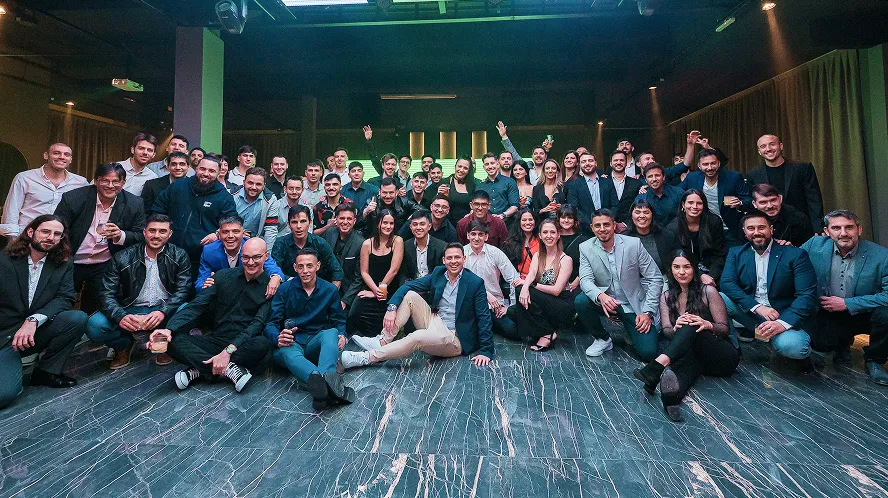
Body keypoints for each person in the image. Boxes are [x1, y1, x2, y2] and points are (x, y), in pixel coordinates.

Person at [341, 242, 494, 369]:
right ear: (444, 260)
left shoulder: (475, 282)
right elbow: (409, 286)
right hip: (435, 321)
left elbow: (483, 317)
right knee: (410, 296)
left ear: (464, 258)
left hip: (455, 337)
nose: (453, 261)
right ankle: (382, 341)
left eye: (457, 257)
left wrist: (486, 351)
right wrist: (391, 307)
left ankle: (368, 357)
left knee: (417, 337)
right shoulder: (439, 273)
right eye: (449, 258)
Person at [632, 251, 740, 422]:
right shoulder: (666, 296)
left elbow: (724, 329)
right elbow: (666, 330)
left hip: (721, 356)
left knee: (691, 322)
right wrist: (677, 327)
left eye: (686, 267)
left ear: (694, 268)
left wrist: (707, 324)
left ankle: (657, 366)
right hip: (694, 357)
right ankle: (670, 400)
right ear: (671, 270)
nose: (681, 272)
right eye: (676, 267)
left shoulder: (708, 291)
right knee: (681, 371)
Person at [155, 238, 273, 392]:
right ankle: (227, 369)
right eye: (246, 257)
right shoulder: (222, 276)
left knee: (262, 343)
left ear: (266, 256)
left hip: (243, 343)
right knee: (172, 341)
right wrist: (168, 329)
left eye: (256, 257)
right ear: (241, 256)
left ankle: (198, 370)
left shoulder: (271, 287)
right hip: (215, 339)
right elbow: (196, 305)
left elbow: (256, 325)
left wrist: (228, 351)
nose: (250, 262)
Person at [0, 215, 87, 409]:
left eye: (57, 234)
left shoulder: (63, 263)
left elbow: (65, 297)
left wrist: (33, 320)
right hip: (3, 335)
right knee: (3, 395)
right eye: (45, 232)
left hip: (33, 332)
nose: (51, 237)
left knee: (76, 318)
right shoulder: (4, 261)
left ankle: (46, 372)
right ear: (31, 232)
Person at [87, 214, 192, 370]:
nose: (156, 235)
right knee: (94, 325)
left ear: (170, 234)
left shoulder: (179, 255)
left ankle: (164, 342)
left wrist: (163, 312)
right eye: (152, 230)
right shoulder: (122, 257)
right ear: (144, 232)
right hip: (130, 309)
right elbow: (106, 293)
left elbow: (183, 290)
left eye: (162, 231)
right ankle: (123, 344)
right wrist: (120, 315)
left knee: (188, 312)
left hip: (164, 309)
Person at [720, 211, 818, 366]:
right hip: (754, 314)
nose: (757, 232)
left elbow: (807, 295)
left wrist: (782, 323)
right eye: (751, 228)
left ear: (771, 230)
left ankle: (779, 337)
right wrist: (757, 307)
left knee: (795, 348)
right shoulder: (737, 253)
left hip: (783, 315)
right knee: (717, 298)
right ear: (745, 232)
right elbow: (727, 283)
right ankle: (733, 348)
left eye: (761, 227)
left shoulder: (795, 254)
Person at [802, 210, 888, 384]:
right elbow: (790, 262)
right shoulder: (813, 245)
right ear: (827, 231)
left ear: (859, 229)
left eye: (849, 227)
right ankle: (841, 344)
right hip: (829, 311)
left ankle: (875, 360)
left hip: (867, 313)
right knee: (820, 344)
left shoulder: (881, 255)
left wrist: (847, 303)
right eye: (836, 228)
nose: (843, 233)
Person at [266, 248, 354, 410]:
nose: (305, 271)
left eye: (309, 266)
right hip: (292, 343)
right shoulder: (285, 289)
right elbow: (271, 323)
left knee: (332, 333)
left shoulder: (330, 290)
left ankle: (320, 382)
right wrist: (278, 336)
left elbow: (338, 320)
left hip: (316, 343)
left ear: (317, 266)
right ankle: (329, 385)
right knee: (286, 350)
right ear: (295, 267)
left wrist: (341, 334)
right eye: (301, 266)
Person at [54, 162, 145, 314]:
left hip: (104, 262)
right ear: (96, 181)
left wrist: (121, 235)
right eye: (105, 180)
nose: (110, 185)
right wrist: (63, 255)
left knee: (96, 302)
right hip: (71, 259)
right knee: (62, 299)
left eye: (116, 181)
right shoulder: (74, 198)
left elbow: (140, 235)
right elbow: (57, 229)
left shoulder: (134, 203)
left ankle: (88, 332)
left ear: (123, 183)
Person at [575, 209, 663, 361]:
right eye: (598, 225)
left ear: (614, 225)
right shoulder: (585, 247)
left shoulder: (633, 244)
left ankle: (628, 329)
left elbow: (655, 278)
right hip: (607, 302)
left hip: (633, 304)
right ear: (592, 228)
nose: (602, 229)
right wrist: (600, 295)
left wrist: (648, 312)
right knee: (581, 301)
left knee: (648, 352)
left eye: (606, 224)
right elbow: (585, 280)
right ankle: (602, 339)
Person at [151, 156, 238, 277]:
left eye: (211, 171)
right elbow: (158, 209)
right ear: (196, 169)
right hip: (168, 253)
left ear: (219, 173)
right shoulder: (178, 186)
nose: (206, 174)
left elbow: (232, 223)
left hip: (200, 259)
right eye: (202, 169)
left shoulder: (224, 197)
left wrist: (217, 234)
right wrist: (162, 230)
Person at [512, 218, 576, 351]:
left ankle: (547, 333)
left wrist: (531, 285)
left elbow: (557, 290)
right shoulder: (537, 256)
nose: (549, 236)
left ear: (558, 235)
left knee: (521, 302)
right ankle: (546, 329)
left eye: (552, 232)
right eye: (545, 232)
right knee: (515, 303)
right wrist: (525, 286)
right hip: (545, 301)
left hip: (561, 305)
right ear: (540, 236)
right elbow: (531, 273)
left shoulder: (566, 260)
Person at [2, 143, 88, 237]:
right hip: (27, 236)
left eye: (66, 154)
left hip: (60, 238)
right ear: (46, 155)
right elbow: (11, 211)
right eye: (56, 153)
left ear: (70, 159)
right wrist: (13, 239)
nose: (62, 157)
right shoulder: (24, 178)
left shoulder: (80, 182)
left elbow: (86, 211)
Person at [748, 134, 824, 233]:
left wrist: (818, 227)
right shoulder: (753, 174)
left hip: (801, 226)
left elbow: (814, 200)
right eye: (763, 146)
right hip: (772, 230)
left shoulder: (802, 168)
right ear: (759, 152)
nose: (768, 149)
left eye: (772, 144)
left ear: (781, 146)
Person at [194, 215, 285, 295]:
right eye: (225, 232)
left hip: (247, 294)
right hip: (220, 296)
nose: (230, 236)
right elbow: (200, 281)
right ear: (219, 234)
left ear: (243, 233)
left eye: (236, 231)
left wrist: (275, 277)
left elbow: (271, 265)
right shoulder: (209, 251)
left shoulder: (252, 247)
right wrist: (204, 286)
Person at [346, 210, 403, 337]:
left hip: (390, 290)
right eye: (385, 223)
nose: (388, 226)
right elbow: (364, 272)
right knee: (354, 314)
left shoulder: (397, 241)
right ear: (378, 224)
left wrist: (380, 291)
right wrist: (374, 290)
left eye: (391, 223)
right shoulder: (367, 244)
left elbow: (393, 270)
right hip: (371, 288)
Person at [462, 220, 521, 341]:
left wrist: (510, 307)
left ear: (486, 236)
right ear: (468, 235)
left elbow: (514, 279)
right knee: (469, 336)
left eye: (481, 234)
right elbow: (459, 282)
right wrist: (485, 293)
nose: (477, 238)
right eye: (473, 234)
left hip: (495, 306)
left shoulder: (495, 253)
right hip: (469, 305)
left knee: (514, 332)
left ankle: (489, 323)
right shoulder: (461, 253)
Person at [680, 149, 751, 245]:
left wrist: (740, 203)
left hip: (729, 230)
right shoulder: (692, 178)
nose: (710, 167)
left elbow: (749, 200)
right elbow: (677, 195)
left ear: (719, 163)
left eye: (713, 163)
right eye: (705, 164)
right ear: (699, 166)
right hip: (703, 230)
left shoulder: (733, 177)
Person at [271, 204, 343, 286]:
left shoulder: (320, 243)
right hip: (289, 290)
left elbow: (337, 271)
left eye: (303, 221)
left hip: (317, 292)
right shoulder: (280, 244)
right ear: (289, 224)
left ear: (310, 222)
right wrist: (292, 281)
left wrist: (330, 295)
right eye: (294, 222)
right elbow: (274, 271)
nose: (299, 226)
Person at [667, 190, 727, 286]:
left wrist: (712, 276)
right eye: (690, 202)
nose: (694, 207)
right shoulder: (673, 228)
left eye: (699, 203)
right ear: (683, 204)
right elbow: (677, 258)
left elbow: (719, 254)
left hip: (712, 269)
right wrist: (701, 275)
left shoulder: (714, 222)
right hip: (685, 271)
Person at [323, 204, 365, 308]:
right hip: (326, 286)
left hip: (348, 291)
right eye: (342, 218)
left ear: (354, 221)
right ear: (336, 219)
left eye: (349, 219)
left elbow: (358, 278)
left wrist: (345, 301)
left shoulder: (361, 242)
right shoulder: (329, 233)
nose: (345, 222)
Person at [566, 151, 619, 234]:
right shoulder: (574, 185)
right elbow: (574, 208)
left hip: (608, 229)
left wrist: (606, 221)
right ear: (580, 165)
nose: (587, 164)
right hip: (585, 231)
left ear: (596, 163)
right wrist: (593, 224)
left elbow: (615, 205)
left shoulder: (608, 182)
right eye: (583, 162)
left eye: (590, 161)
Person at [624, 199, 677, 275]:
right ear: (631, 216)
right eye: (637, 212)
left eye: (646, 212)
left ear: (652, 215)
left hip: (663, 279)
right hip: (634, 281)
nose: (642, 216)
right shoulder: (624, 239)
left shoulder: (666, 236)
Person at [232, 167, 279, 249]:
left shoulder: (271, 200)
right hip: (230, 238)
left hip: (256, 244)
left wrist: (266, 253)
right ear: (244, 182)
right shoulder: (231, 195)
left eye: (258, 184)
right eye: (250, 183)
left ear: (264, 186)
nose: (253, 187)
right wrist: (238, 233)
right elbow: (223, 221)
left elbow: (271, 230)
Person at [634, 163, 685, 228]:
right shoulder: (642, 198)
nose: (654, 179)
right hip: (653, 234)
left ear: (663, 177)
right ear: (646, 180)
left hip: (677, 233)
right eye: (650, 176)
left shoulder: (678, 193)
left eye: (657, 175)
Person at [402, 210, 446, 281]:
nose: (418, 228)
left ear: (429, 226)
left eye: (422, 224)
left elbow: (442, 274)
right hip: (411, 286)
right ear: (410, 227)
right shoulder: (405, 246)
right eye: (415, 224)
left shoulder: (441, 247)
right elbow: (402, 273)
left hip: (432, 286)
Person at [556, 205, 589, 294]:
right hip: (553, 283)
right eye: (563, 217)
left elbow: (587, 265)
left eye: (569, 218)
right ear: (558, 219)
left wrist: (576, 282)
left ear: (575, 220)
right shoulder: (553, 237)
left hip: (574, 285)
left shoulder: (583, 240)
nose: (566, 220)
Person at [606, 150, 644, 227]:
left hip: (630, 227)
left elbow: (638, 206)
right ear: (610, 163)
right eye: (615, 160)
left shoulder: (636, 184)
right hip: (607, 226)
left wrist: (625, 224)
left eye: (621, 160)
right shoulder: (602, 182)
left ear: (626, 163)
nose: (619, 162)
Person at [477, 152, 519, 219]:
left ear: (498, 164)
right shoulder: (480, 185)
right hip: (486, 224)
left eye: (492, 163)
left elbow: (514, 206)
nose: (490, 167)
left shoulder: (510, 182)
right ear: (484, 167)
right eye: (487, 164)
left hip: (506, 223)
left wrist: (502, 215)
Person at [501, 208, 538, 279]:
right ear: (519, 222)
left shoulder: (541, 240)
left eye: (530, 219)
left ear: (535, 221)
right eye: (524, 220)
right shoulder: (510, 243)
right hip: (518, 282)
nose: (527, 222)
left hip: (538, 282)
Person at [444, 156, 476, 224]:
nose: (461, 170)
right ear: (455, 166)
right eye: (459, 166)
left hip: (467, 224)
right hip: (448, 225)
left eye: (465, 168)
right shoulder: (445, 182)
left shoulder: (474, 185)